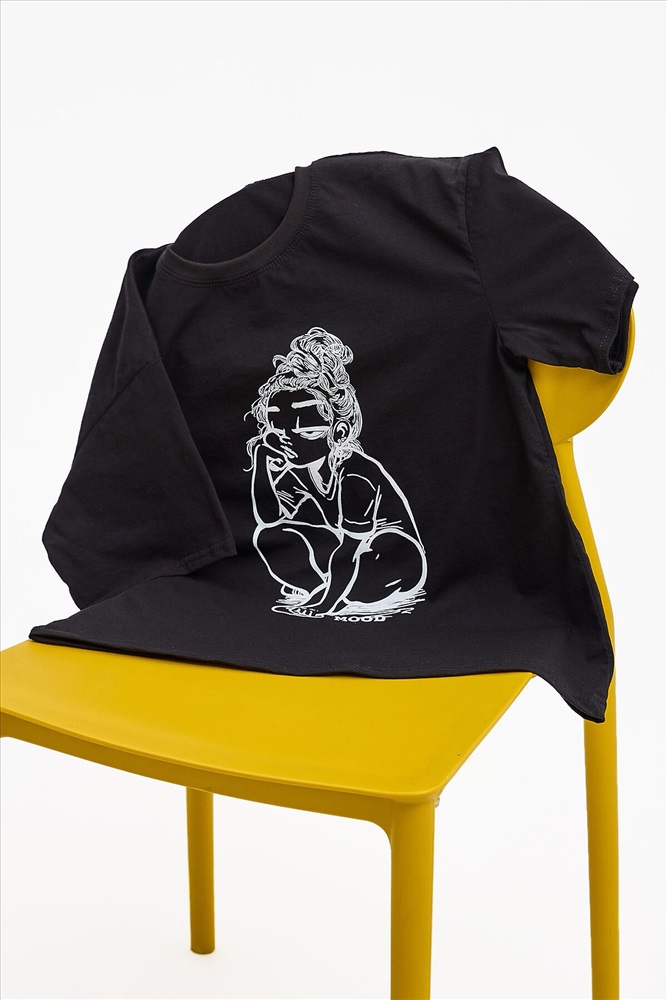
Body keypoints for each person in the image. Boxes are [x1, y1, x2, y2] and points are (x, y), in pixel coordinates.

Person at [244, 327, 428, 620]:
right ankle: (335, 587)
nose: (288, 439)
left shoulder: (356, 472)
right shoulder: (298, 471)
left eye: (306, 431)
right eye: (277, 428)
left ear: (339, 432)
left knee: (379, 552)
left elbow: (354, 547)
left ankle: (334, 591)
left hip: (392, 556)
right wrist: (262, 458)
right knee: (269, 536)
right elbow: (268, 519)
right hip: (344, 552)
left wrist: (326, 605)